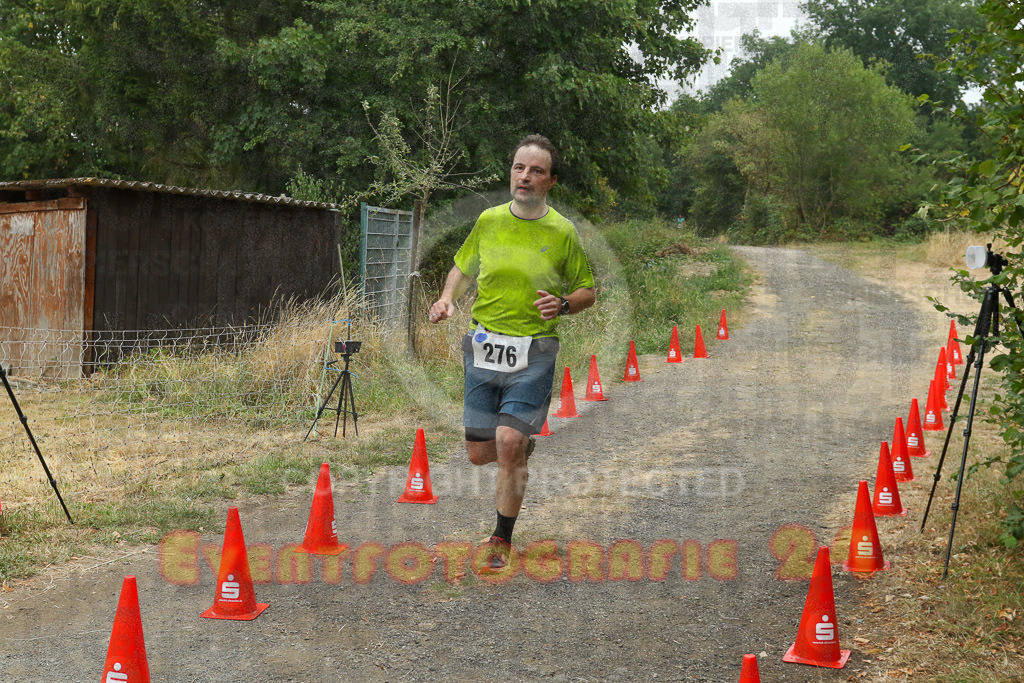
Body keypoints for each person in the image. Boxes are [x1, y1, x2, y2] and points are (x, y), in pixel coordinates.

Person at [428, 134, 596, 571]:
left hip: (535, 349)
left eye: (536, 170)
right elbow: (462, 268)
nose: (525, 176)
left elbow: (586, 291)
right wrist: (447, 297)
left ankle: (501, 538)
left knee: (506, 441)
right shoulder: (488, 220)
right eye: (519, 167)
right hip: (484, 345)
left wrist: (562, 304)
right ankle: (519, 448)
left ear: (551, 181)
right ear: (511, 173)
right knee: (480, 453)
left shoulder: (562, 231)